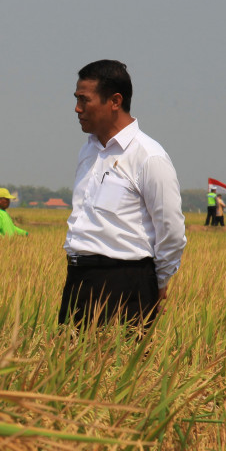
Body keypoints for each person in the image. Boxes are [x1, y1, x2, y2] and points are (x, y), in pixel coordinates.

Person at [60, 59, 187, 327]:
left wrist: (157, 282)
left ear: (115, 101)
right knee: (68, 367)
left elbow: (172, 230)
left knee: (121, 366)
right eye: (76, 99)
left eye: (85, 100)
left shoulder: (149, 156)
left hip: (126, 285)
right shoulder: (88, 150)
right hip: (78, 280)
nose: (77, 108)